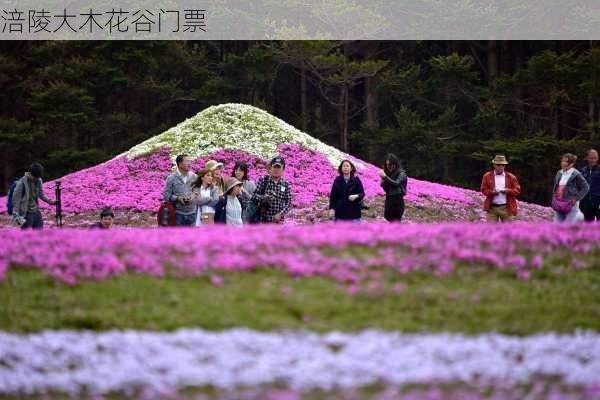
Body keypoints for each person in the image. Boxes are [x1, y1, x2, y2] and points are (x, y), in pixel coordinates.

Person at [10, 163, 57, 229]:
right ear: (30, 173)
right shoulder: (21, 183)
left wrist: (51, 202)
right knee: (27, 236)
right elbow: (15, 200)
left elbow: (41, 194)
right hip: (26, 213)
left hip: (36, 211)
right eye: (35, 177)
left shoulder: (38, 180)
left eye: (38, 177)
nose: (36, 179)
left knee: (39, 234)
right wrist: (17, 216)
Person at [480, 155, 521, 222]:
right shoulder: (487, 176)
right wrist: (492, 192)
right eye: (498, 165)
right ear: (494, 165)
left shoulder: (511, 177)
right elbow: (483, 190)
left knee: (508, 231)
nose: (501, 167)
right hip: (492, 208)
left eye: (503, 165)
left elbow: (517, 190)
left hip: (506, 208)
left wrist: (508, 191)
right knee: (490, 230)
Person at [251, 156, 293, 223]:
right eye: (274, 167)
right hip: (263, 221)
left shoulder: (286, 184)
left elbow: (289, 203)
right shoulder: (264, 180)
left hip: (278, 222)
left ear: (283, 170)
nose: (276, 169)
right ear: (270, 168)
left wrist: (280, 214)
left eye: (279, 167)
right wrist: (264, 197)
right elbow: (254, 196)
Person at [552, 153, 589, 223]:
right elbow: (556, 186)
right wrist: (554, 197)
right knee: (556, 227)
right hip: (559, 204)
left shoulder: (576, 174)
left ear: (571, 164)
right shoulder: (559, 173)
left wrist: (576, 198)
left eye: (566, 161)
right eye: (562, 161)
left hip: (571, 206)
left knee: (567, 228)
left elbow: (586, 187)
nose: (563, 163)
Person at [163, 154, 197, 227]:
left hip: (193, 213)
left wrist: (192, 196)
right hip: (178, 214)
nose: (190, 163)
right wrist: (178, 198)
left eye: (190, 161)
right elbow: (166, 196)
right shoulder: (171, 178)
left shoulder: (194, 176)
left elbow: (197, 191)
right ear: (180, 164)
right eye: (187, 161)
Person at [379, 154, 407, 222]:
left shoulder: (402, 173)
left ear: (395, 164)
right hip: (389, 200)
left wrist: (385, 177)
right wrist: (382, 182)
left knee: (396, 221)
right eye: (387, 164)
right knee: (387, 216)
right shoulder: (389, 174)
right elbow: (386, 189)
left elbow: (396, 183)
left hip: (397, 200)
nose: (389, 166)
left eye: (390, 164)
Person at [580, 149, 600, 222]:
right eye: (591, 158)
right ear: (587, 158)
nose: (593, 160)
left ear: (597, 158)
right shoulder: (583, 170)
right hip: (586, 203)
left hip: (598, 202)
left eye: (595, 158)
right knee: (587, 226)